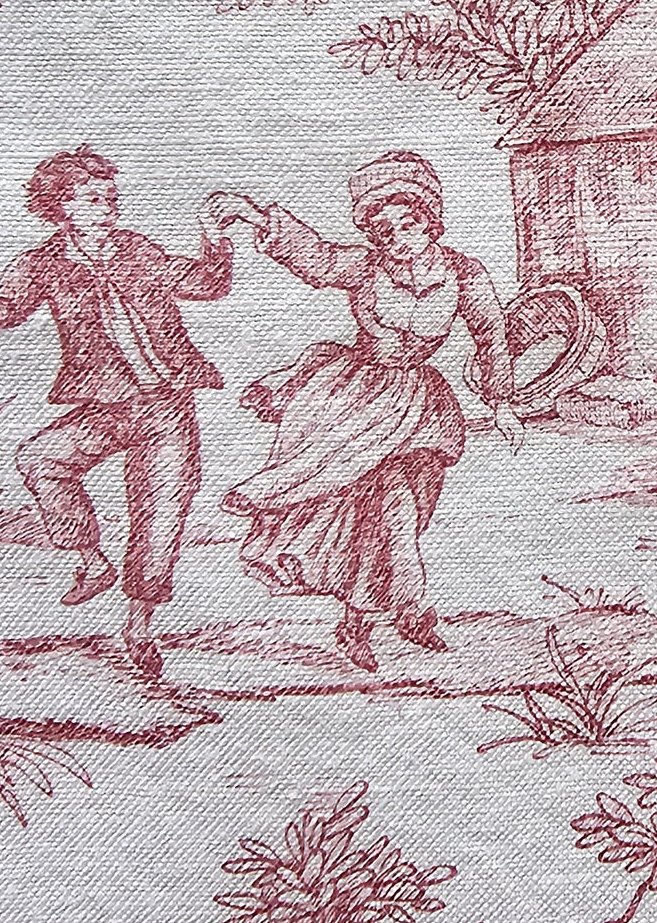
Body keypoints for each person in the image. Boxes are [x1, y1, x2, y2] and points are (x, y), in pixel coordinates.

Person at [0, 145, 234, 679]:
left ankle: (139, 627)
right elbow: (1, 308)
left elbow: (206, 285)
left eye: (111, 198)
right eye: (93, 199)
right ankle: (90, 559)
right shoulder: (41, 264)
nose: (107, 207)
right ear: (60, 205)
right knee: (39, 459)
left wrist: (214, 237)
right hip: (105, 404)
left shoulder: (139, 250)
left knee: (161, 513)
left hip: (167, 405)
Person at [206, 151, 522, 675]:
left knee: (403, 515)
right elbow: (315, 257)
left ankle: (368, 617)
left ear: (429, 220)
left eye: (408, 223)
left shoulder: (465, 274)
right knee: (384, 510)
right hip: (355, 401)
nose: (399, 237)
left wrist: (502, 402)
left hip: (420, 407)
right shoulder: (365, 267)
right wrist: (252, 214)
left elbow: (491, 337)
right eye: (385, 229)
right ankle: (402, 612)